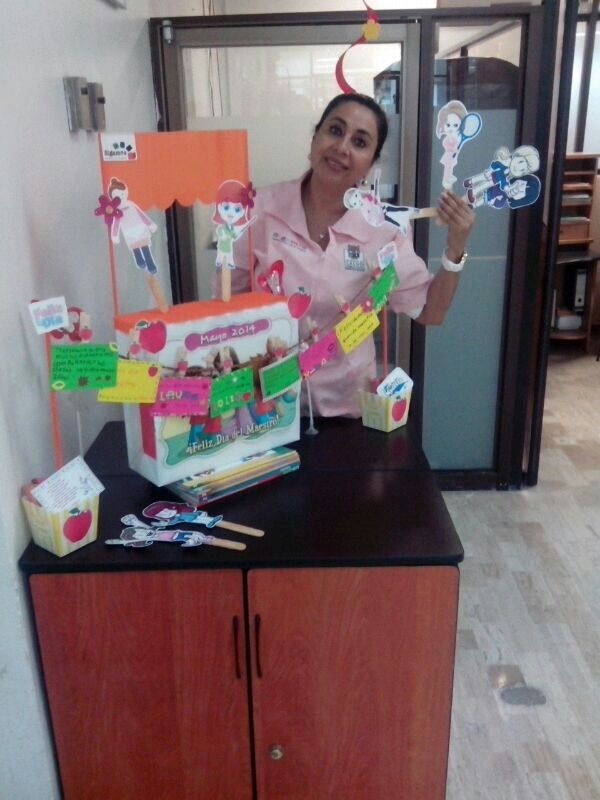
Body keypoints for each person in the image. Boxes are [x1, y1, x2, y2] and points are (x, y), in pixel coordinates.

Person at [224, 92, 475, 418]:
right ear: (314, 138)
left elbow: (429, 311)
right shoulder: (258, 209)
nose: (342, 147)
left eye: (359, 142)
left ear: (371, 163)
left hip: (346, 410)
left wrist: (456, 249)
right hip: (264, 408)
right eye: (335, 130)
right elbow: (228, 306)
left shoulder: (384, 229)